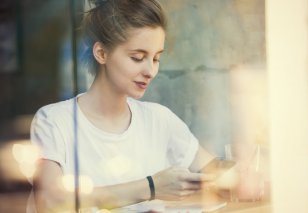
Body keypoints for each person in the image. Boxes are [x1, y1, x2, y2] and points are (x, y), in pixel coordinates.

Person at [30, 0, 218, 212]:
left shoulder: (159, 119)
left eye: (156, 58)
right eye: (137, 58)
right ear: (101, 53)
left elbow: (215, 172)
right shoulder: (54, 121)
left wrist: (243, 177)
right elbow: (51, 203)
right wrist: (150, 187)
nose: (151, 71)